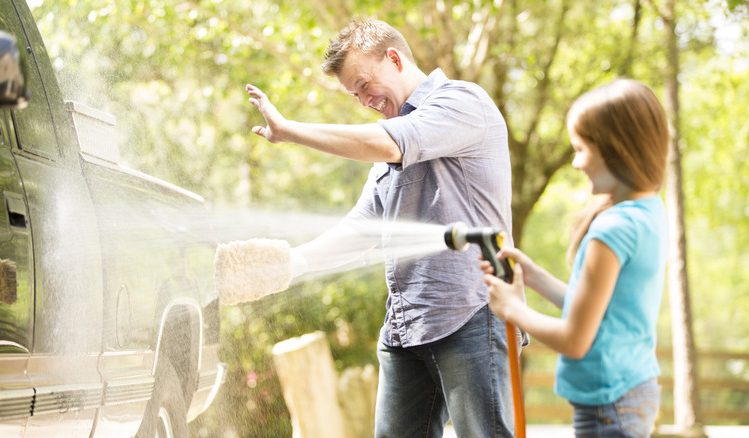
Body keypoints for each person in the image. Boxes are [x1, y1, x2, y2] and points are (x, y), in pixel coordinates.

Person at [247, 18, 515, 438]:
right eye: (355, 95)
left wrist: (291, 132)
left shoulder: (462, 102)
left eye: (364, 85)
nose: (365, 101)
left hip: (470, 314)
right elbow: (364, 228)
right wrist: (292, 263)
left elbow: (392, 141)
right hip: (406, 326)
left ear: (394, 58)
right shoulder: (387, 151)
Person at [481, 78, 669, 438]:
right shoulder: (648, 211)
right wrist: (534, 277)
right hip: (633, 390)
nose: (576, 162)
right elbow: (598, 311)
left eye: (581, 149)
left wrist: (512, 310)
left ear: (616, 150)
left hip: (608, 404)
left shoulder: (612, 229)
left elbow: (575, 339)